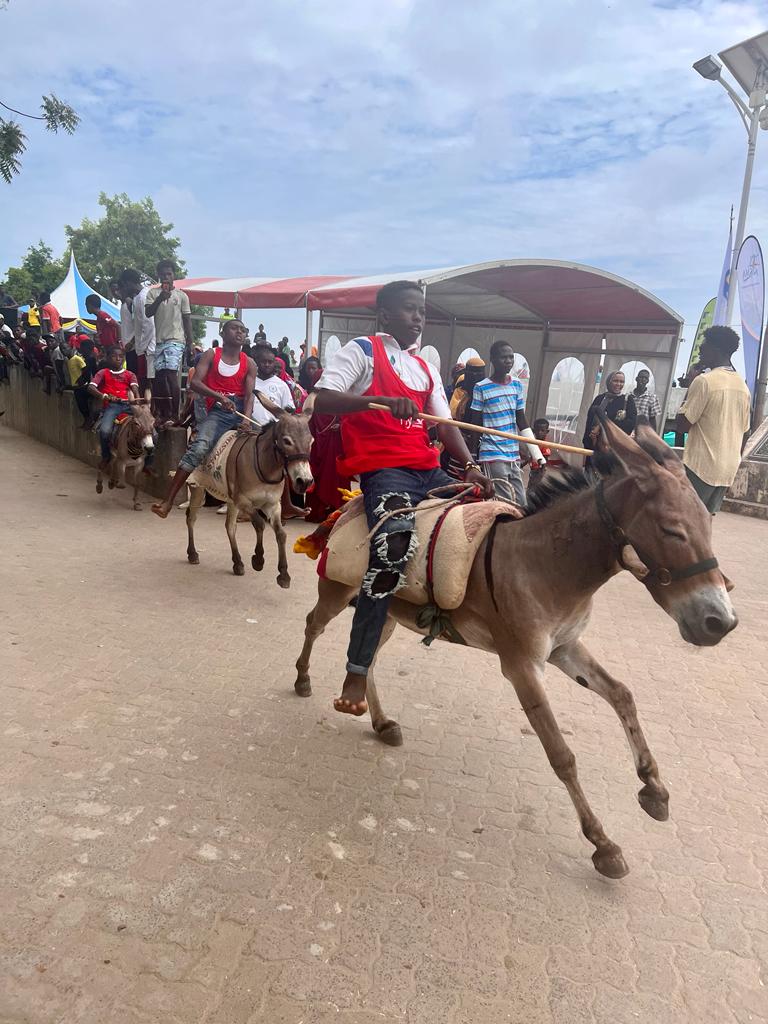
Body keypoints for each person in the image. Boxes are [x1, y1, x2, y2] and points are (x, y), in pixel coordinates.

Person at [312, 280, 495, 717]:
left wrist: (469, 466)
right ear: (385, 315)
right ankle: (356, 670)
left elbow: (445, 426)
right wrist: (378, 400)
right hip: (384, 471)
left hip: (428, 469)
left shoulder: (425, 368)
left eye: (422, 311)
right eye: (410, 310)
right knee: (392, 545)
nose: (418, 317)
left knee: (492, 511)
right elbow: (319, 399)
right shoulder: (361, 350)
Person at [151, 319, 257, 518]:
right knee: (199, 447)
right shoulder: (211, 355)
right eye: (235, 328)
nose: (240, 332)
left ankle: (281, 506)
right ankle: (168, 501)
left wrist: (247, 419)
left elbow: (250, 396)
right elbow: (195, 384)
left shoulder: (249, 363)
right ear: (223, 333)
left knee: (272, 445)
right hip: (218, 412)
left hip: (241, 411)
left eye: (243, 330)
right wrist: (220, 397)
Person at [675, 326, 750, 515]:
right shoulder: (742, 386)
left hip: (701, 467)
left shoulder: (704, 381)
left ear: (716, 349)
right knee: (704, 522)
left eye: (704, 344)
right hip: (727, 470)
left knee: (684, 522)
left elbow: (682, 425)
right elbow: (745, 431)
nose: (700, 348)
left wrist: (691, 382)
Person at [468, 341, 545, 506]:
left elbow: (521, 421)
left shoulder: (517, 385)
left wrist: (536, 453)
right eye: (504, 357)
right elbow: (476, 425)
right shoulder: (481, 388)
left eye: (511, 357)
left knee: (522, 503)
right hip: (492, 453)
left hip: (512, 454)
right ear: (493, 360)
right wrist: (473, 457)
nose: (509, 361)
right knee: (505, 503)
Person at [300, 357, 351, 523]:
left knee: (335, 475)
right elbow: (306, 421)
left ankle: (336, 510)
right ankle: (317, 511)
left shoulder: (338, 400)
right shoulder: (311, 400)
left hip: (335, 445)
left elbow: (349, 418)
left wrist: (342, 425)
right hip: (316, 446)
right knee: (317, 476)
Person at [145, 259, 193, 427]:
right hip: (159, 341)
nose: (166, 277)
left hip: (176, 340)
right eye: (163, 274)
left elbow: (187, 320)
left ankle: (175, 413)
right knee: (159, 377)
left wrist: (190, 343)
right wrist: (160, 299)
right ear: (158, 276)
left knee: (171, 374)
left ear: (174, 275)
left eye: (169, 274)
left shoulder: (182, 296)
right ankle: (163, 412)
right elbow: (148, 313)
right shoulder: (152, 294)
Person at [88, 346, 141, 471]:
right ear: (107, 358)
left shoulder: (130, 374)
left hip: (129, 405)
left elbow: (135, 390)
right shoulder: (103, 373)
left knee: (150, 429)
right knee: (105, 431)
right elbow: (90, 387)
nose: (118, 359)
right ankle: (106, 457)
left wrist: (137, 401)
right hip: (112, 407)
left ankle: (148, 461)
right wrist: (105, 396)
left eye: (121, 357)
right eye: (114, 356)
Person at [582, 370, 637, 463]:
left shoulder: (627, 401)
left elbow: (630, 423)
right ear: (609, 381)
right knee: (590, 472)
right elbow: (589, 421)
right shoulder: (600, 399)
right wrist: (587, 441)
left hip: (614, 448)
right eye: (615, 381)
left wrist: (602, 427)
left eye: (621, 382)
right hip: (593, 443)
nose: (618, 384)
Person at [118, 269, 156, 399]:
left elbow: (149, 325)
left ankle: (151, 411)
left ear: (128, 283)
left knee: (147, 383)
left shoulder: (144, 297)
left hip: (146, 349)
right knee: (142, 381)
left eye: (123, 286)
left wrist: (141, 347)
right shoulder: (137, 299)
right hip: (142, 348)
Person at [252, 346, 296, 423]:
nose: (267, 364)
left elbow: (289, 412)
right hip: (250, 429)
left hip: (273, 432)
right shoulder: (250, 382)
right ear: (257, 362)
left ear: (274, 363)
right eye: (263, 361)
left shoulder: (282, 385)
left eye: (270, 362)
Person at [522, 418, 566, 486]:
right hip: (533, 468)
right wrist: (524, 463)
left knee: (534, 485)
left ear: (547, 431)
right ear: (533, 431)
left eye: (542, 431)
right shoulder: (534, 443)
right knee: (531, 483)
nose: (539, 432)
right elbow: (531, 456)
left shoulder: (545, 445)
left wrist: (541, 470)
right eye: (537, 430)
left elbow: (545, 459)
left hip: (538, 469)